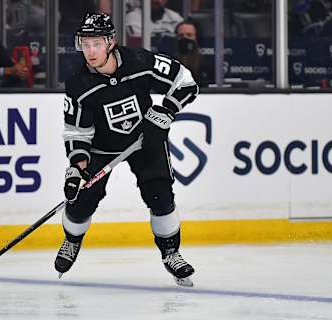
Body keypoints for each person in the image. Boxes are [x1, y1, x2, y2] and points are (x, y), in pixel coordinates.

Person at [55, 13, 199, 287]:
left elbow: (186, 82)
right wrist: (77, 168)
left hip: (145, 140)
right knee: (81, 201)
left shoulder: (141, 62)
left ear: (111, 42)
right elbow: (77, 131)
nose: (90, 51)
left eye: (96, 44)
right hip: (102, 147)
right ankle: (72, 240)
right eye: (85, 45)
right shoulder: (78, 84)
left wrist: (166, 111)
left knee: (160, 194)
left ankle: (171, 253)